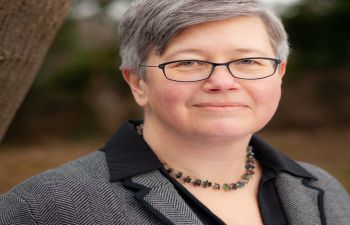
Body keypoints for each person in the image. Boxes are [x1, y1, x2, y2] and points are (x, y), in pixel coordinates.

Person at [1, 0, 349, 224]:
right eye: (189, 62)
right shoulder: (47, 207)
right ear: (138, 82)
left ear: (279, 72)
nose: (223, 81)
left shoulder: (324, 189)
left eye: (248, 61)